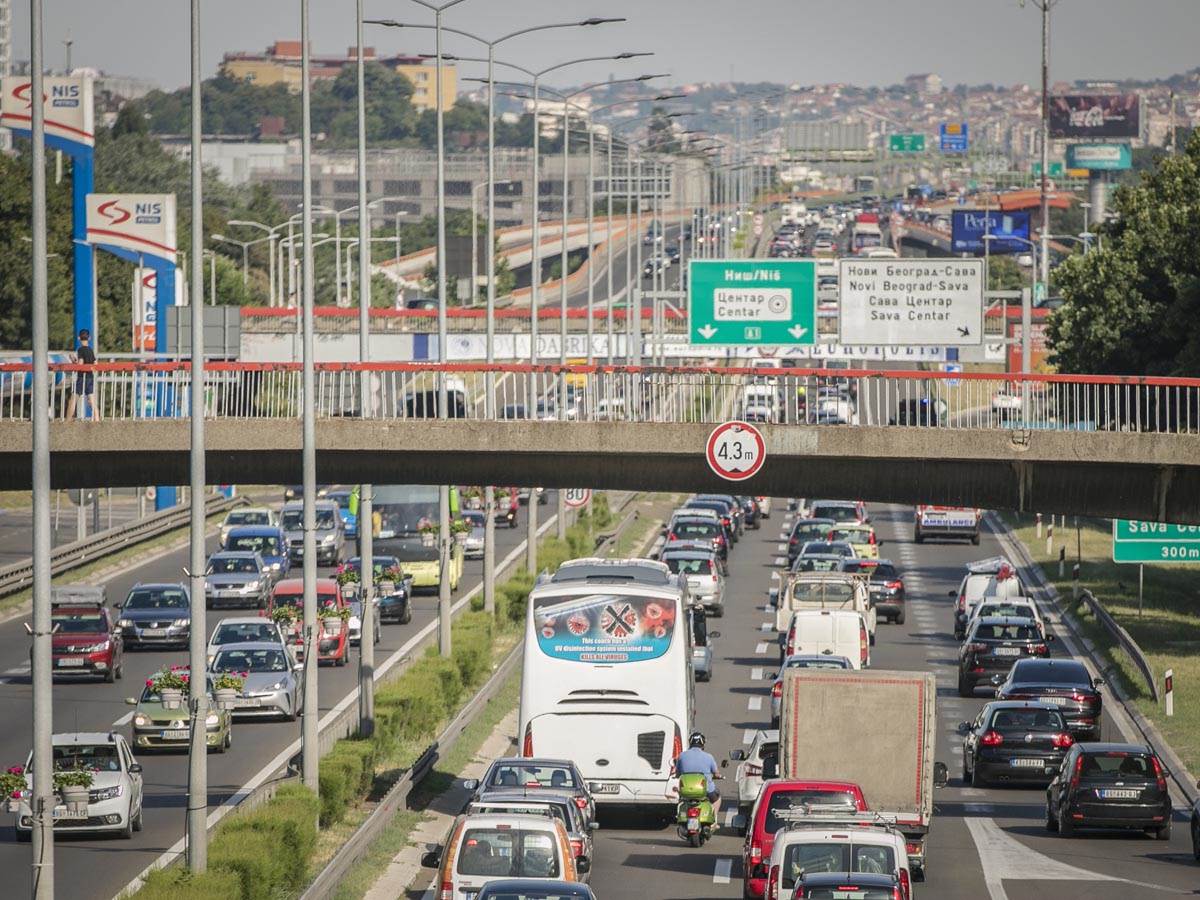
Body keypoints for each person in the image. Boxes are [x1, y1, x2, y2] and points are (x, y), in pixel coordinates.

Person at [673, 730, 721, 815]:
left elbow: (677, 774)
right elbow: (716, 773)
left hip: (686, 790)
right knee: (717, 799)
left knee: (680, 799)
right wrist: (717, 775)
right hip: (706, 790)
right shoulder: (709, 757)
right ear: (703, 744)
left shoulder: (682, 755)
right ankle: (714, 819)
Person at [65, 328, 99, 421]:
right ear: (89, 338)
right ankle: (97, 420)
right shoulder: (90, 350)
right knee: (92, 401)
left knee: (73, 399)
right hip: (90, 377)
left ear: (79, 338)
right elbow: (95, 364)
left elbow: (80, 364)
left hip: (81, 377)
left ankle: (68, 421)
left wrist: (73, 360)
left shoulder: (80, 350)